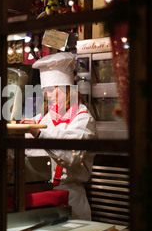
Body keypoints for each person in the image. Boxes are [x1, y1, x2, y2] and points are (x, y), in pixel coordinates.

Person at [20, 51, 97, 220]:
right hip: (41, 198)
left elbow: (70, 155)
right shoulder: (42, 119)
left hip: (71, 199)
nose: (47, 96)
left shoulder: (83, 120)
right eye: (45, 91)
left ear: (67, 89)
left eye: (51, 90)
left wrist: (39, 133)